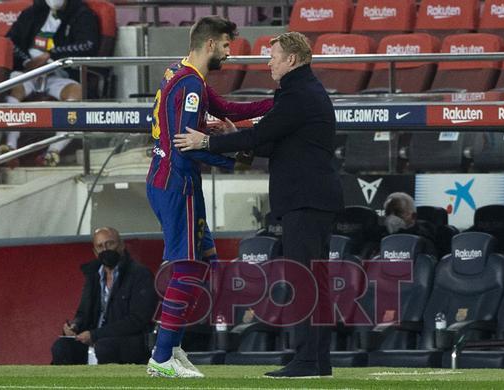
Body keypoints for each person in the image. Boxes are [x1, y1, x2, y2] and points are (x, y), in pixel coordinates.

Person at [174, 31, 345, 378]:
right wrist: (229, 135)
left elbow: (261, 136)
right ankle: (317, 359)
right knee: (315, 281)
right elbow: (271, 143)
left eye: (274, 57)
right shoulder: (301, 92)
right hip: (314, 198)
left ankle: (308, 360)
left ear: (292, 60)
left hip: (306, 199)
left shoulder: (298, 94)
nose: (268, 64)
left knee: (304, 281)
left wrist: (206, 140)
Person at [145, 15, 273, 378]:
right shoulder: (191, 87)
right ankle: (161, 358)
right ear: (211, 43)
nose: (230, 53)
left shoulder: (181, 74)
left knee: (202, 265)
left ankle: (172, 348)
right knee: (187, 268)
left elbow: (228, 111)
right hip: (177, 183)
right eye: (227, 45)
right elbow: (187, 147)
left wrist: (275, 103)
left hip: (171, 179)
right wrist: (231, 160)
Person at [0, 0, 99, 166]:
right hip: (28, 72)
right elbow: (10, 42)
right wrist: (26, 63)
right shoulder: (32, 12)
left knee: (77, 92)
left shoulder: (83, 14)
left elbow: (87, 46)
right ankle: (10, 147)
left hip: (59, 72)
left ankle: (53, 151)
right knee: (13, 88)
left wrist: (51, 57)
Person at [51, 227, 157, 365]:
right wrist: (74, 325)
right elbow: (83, 313)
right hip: (96, 338)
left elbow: (138, 319)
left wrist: (96, 335)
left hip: (128, 341)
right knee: (62, 346)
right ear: (95, 252)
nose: (105, 249)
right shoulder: (93, 276)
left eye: (110, 243)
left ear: (121, 245)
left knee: (104, 347)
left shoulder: (140, 274)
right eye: (100, 246)